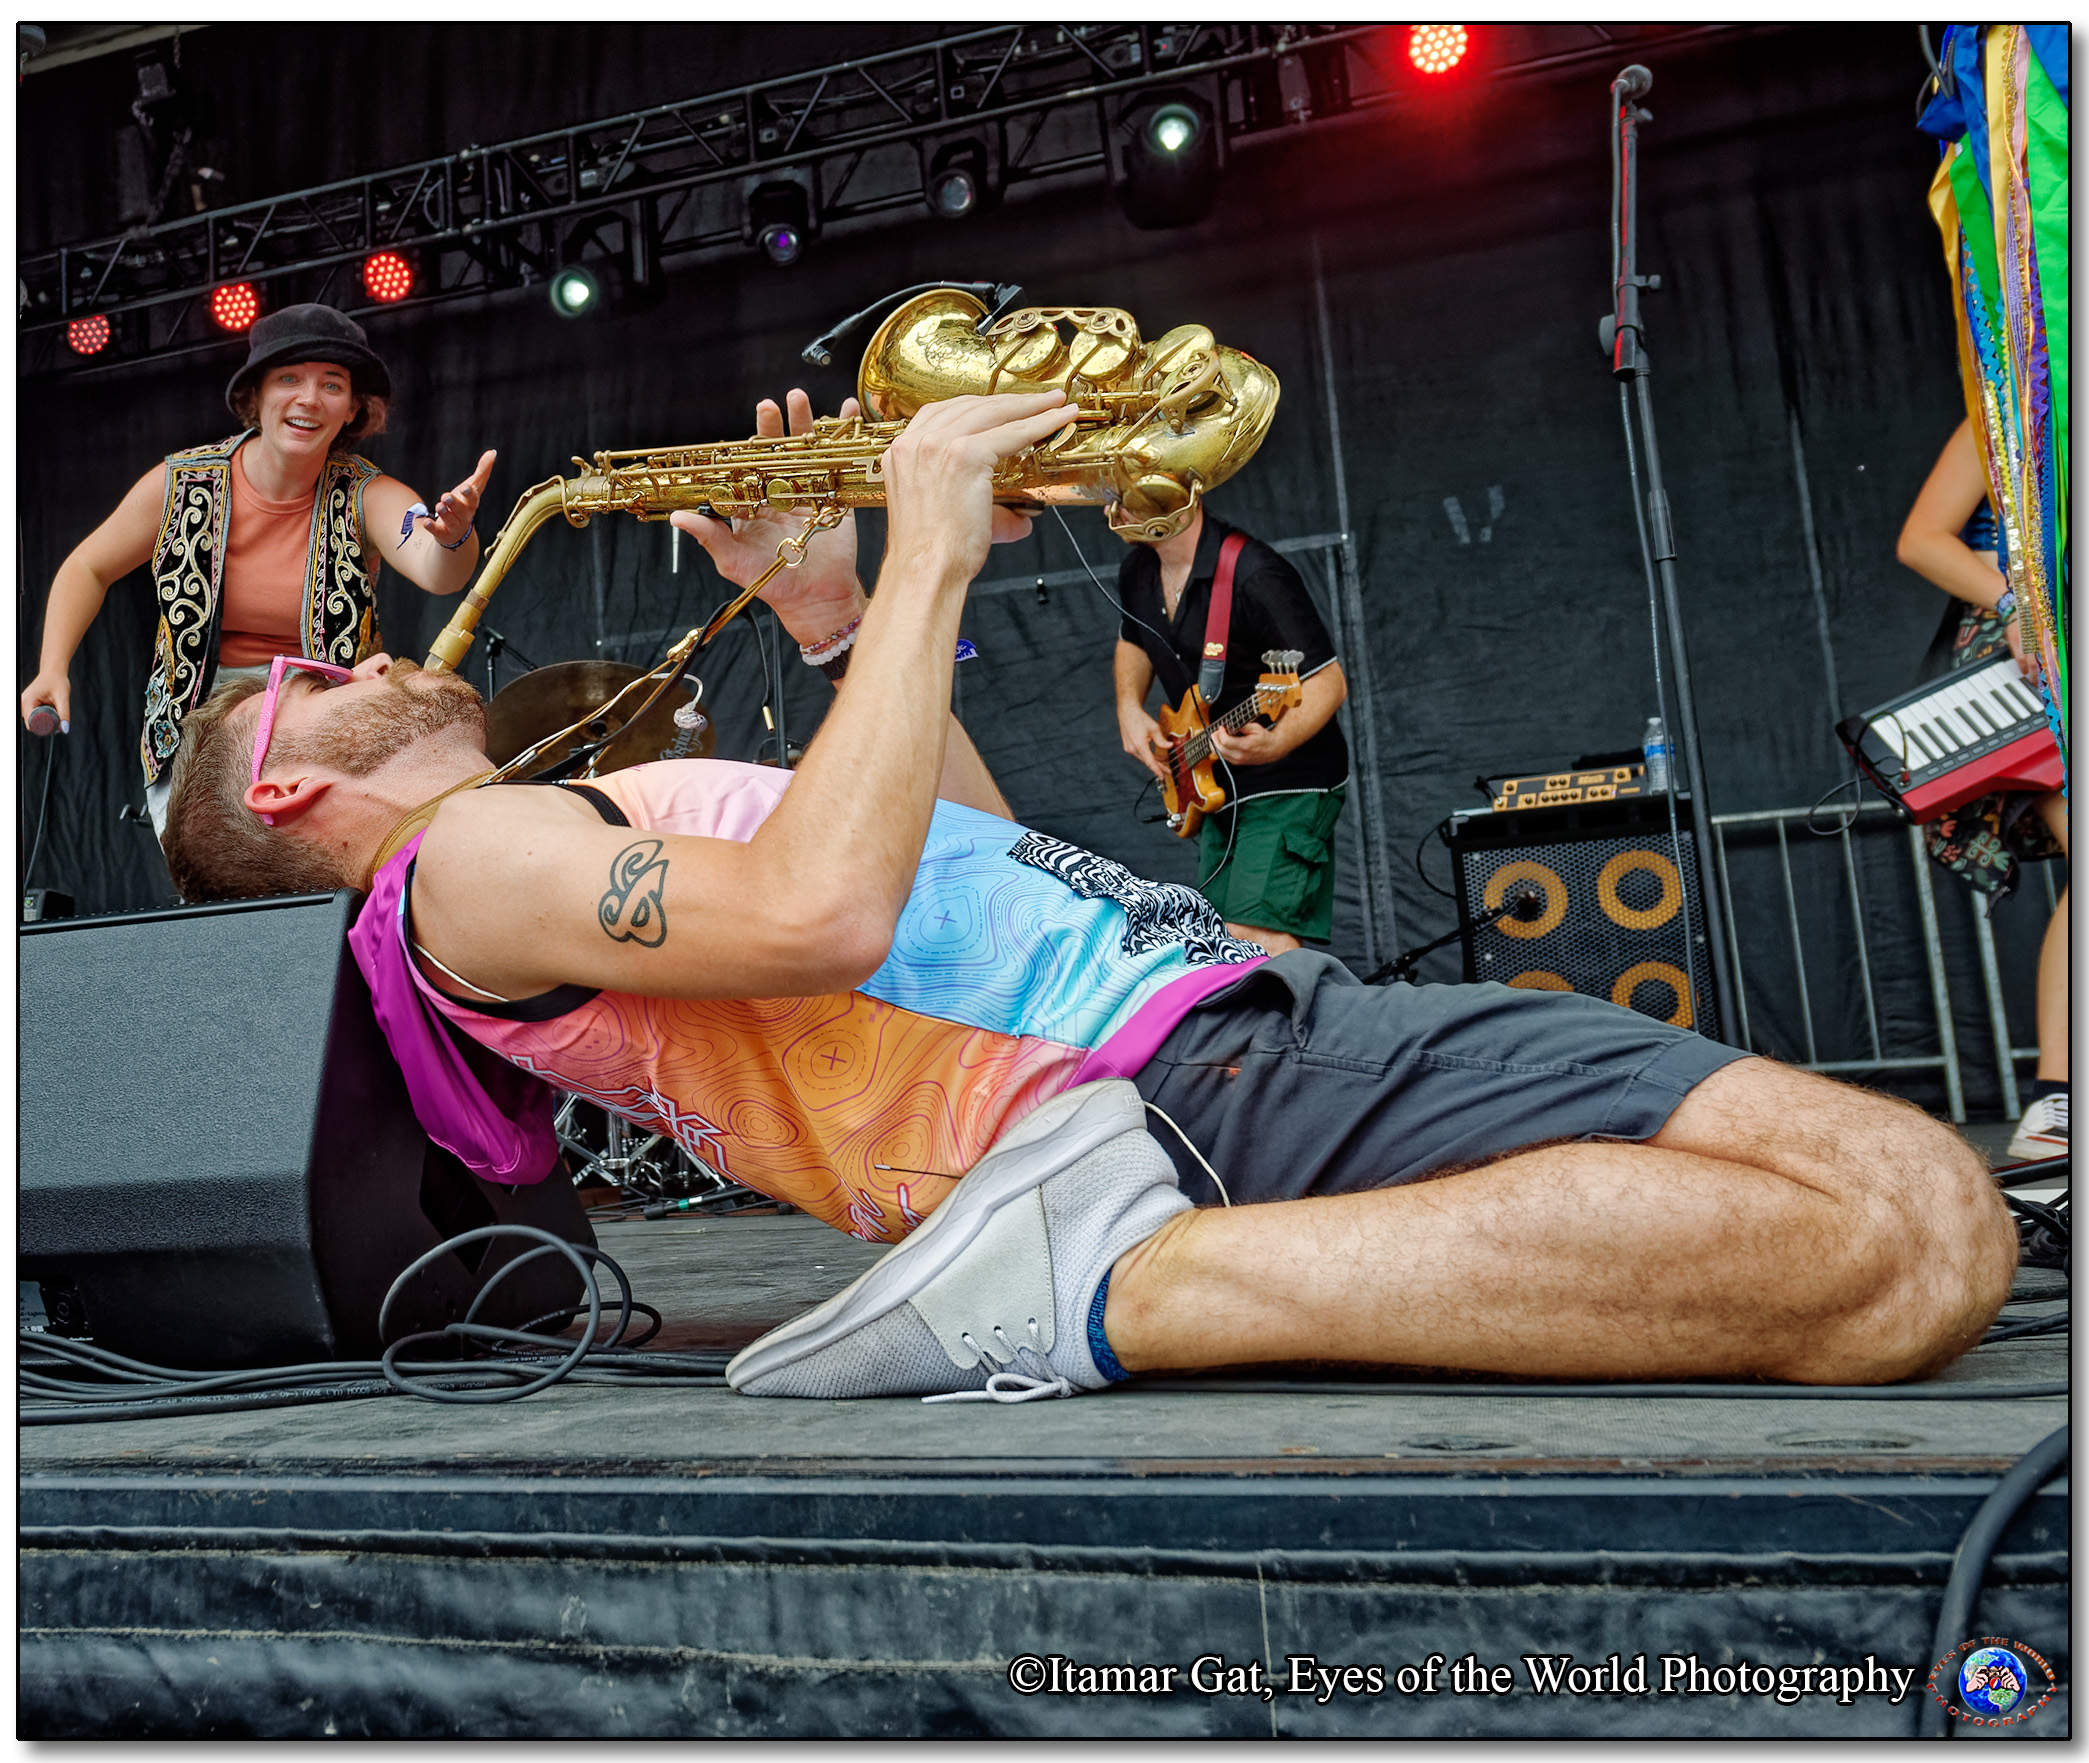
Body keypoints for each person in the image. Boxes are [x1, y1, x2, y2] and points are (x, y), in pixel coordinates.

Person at [160, 389, 2014, 1403]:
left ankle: (1101, 1277)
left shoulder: (533, 833)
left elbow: (951, 852)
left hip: (1217, 1019)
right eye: (308, 681)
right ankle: (1108, 1285)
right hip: (1153, 1082)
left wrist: (839, 621)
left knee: (1906, 1220)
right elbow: (822, 918)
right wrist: (925, 557)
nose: (357, 654)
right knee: (1907, 1240)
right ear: (288, 792)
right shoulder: (459, 856)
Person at [20, 302, 498, 838]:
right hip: (199, 724)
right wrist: (52, 667)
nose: (309, 399)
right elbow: (88, 566)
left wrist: (454, 535)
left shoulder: (367, 494)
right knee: (216, 875)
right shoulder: (181, 483)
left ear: (352, 410)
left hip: (324, 720)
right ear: (256, 397)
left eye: (332, 385)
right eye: (289, 379)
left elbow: (439, 572)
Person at [1896, 418, 2068, 1161]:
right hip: (2042, 661)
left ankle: (2058, 1101)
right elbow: (1922, 538)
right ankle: (2058, 1101)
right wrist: (2017, 605)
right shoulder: (2008, 398)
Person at [1113, 505, 1349, 953]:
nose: (1113, 507)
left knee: (1257, 935)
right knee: (1217, 939)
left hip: (1288, 782)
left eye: (1128, 493)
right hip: (1217, 786)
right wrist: (1128, 706)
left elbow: (1327, 683)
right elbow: (1132, 638)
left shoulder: (1255, 573)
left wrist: (1276, 741)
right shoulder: (1138, 570)